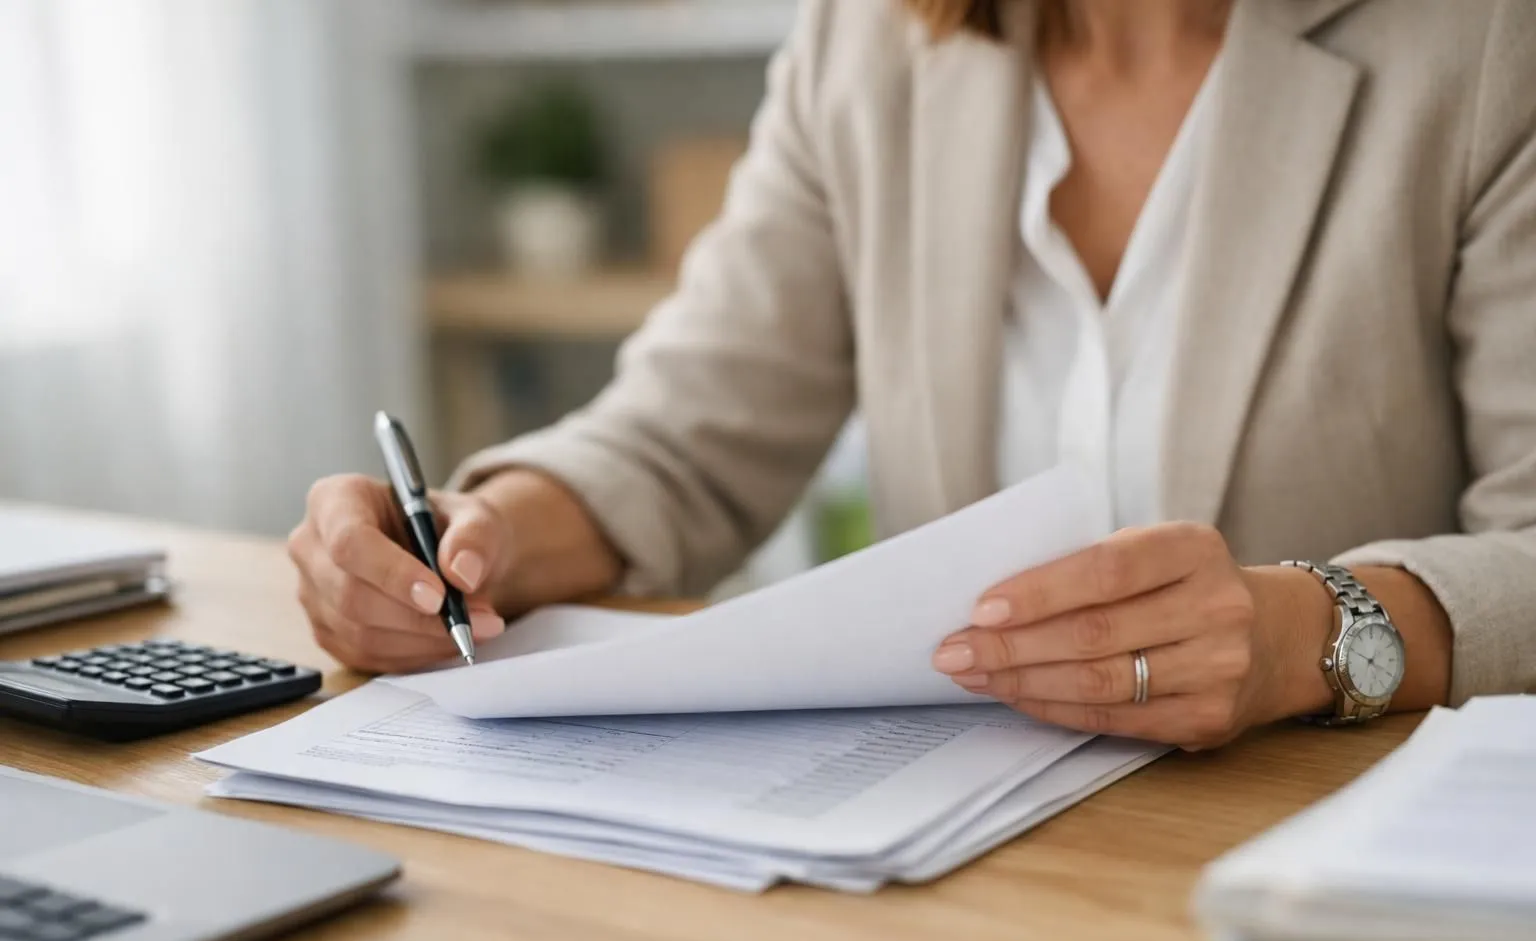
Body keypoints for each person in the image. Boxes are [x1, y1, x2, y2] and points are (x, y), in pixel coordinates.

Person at [289, 0, 1536, 749]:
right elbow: (684, 434)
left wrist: (1303, 637)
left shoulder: (1483, 43)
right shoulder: (867, 36)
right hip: (959, 854)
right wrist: (472, 541)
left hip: (1307, 858)